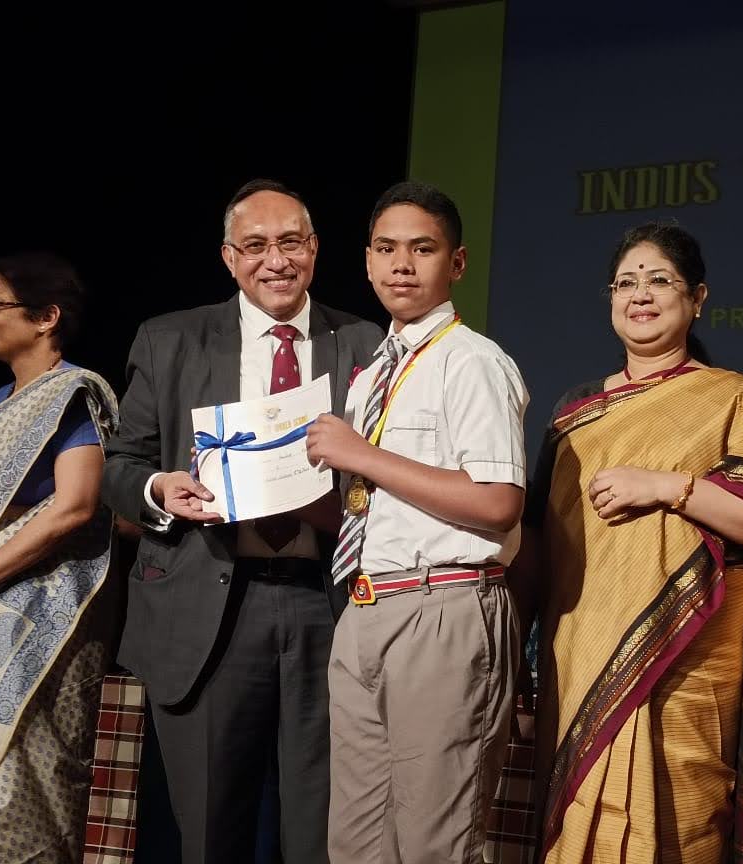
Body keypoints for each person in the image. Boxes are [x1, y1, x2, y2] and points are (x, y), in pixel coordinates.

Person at [100, 178, 383, 864]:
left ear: (314, 249)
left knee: (323, 835)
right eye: (255, 246)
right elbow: (120, 465)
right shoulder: (170, 339)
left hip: (328, 603)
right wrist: (159, 488)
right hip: (209, 604)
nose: (275, 261)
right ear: (229, 259)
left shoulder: (365, 341)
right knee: (209, 834)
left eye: (290, 242)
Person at [519, 222, 743, 864]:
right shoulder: (574, 411)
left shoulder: (733, 399)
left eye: (660, 281)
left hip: (689, 659)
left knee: (686, 825)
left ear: (697, 297)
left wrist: (667, 487)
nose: (641, 295)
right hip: (581, 656)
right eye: (626, 283)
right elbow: (540, 541)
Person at [304, 180, 527, 864]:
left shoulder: (472, 361)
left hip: (442, 605)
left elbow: (498, 501)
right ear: (367, 261)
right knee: (356, 844)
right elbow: (373, 504)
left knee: (436, 842)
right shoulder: (373, 372)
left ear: (456, 263)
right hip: (367, 607)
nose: (401, 264)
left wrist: (360, 453)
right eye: (386, 249)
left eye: (422, 249)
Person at [0, 252, 118, 863]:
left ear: (47, 317)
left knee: (22, 779)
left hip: (48, 614)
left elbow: (75, 506)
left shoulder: (72, 395)